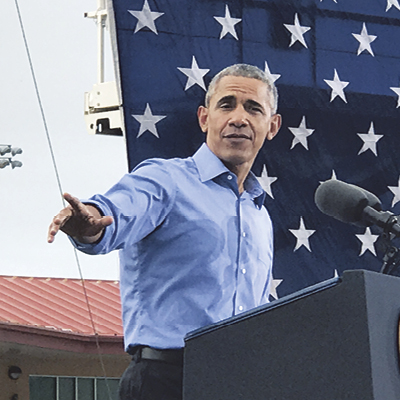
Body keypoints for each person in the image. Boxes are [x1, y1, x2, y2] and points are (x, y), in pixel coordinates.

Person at [47, 63, 282, 400]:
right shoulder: (164, 180)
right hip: (167, 381)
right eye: (226, 104)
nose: (239, 118)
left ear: (271, 126)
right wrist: (88, 224)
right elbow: (114, 213)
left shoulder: (260, 214)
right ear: (204, 118)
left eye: (253, 108)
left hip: (241, 383)